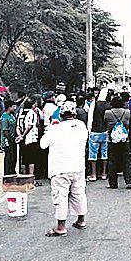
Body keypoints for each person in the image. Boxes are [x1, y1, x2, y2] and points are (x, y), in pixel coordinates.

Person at [41, 102, 89, 237]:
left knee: (61, 196)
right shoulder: (81, 126)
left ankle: (61, 227)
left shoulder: (56, 128)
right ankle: (81, 221)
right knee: (78, 193)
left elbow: (43, 144)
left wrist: (50, 128)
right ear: (74, 114)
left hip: (60, 168)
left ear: (61, 115)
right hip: (78, 166)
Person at [104, 96, 131, 189]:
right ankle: (130, 182)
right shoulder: (127, 112)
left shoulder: (108, 113)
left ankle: (113, 183)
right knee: (127, 160)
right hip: (124, 139)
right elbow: (130, 125)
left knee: (112, 161)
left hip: (112, 140)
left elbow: (105, 124)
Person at [16, 97, 42, 185]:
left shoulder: (21, 111)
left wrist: (20, 135)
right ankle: (31, 178)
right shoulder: (32, 113)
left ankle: (24, 177)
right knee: (32, 159)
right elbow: (30, 126)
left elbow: (18, 126)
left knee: (24, 158)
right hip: (31, 138)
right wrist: (23, 136)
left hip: (22, 139)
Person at [87, 90, 111, 181]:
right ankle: (104, 173)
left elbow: (90, 118)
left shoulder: (94, 104)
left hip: (94, 131)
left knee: (93, 154)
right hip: (105, 131)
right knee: (104, 153)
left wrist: (88, 131)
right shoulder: (108, 105)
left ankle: (94, 174)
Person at [1, 100, 18, 175]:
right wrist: (10, 139)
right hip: (7, 141)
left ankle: (12, 171)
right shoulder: (4, 117)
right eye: (13, 106)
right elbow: (5, 131)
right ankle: (7, 173)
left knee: (13, 156)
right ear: (9, 107)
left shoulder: (12, 116)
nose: (14, 108)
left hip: (13, 139)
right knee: (8, 157)